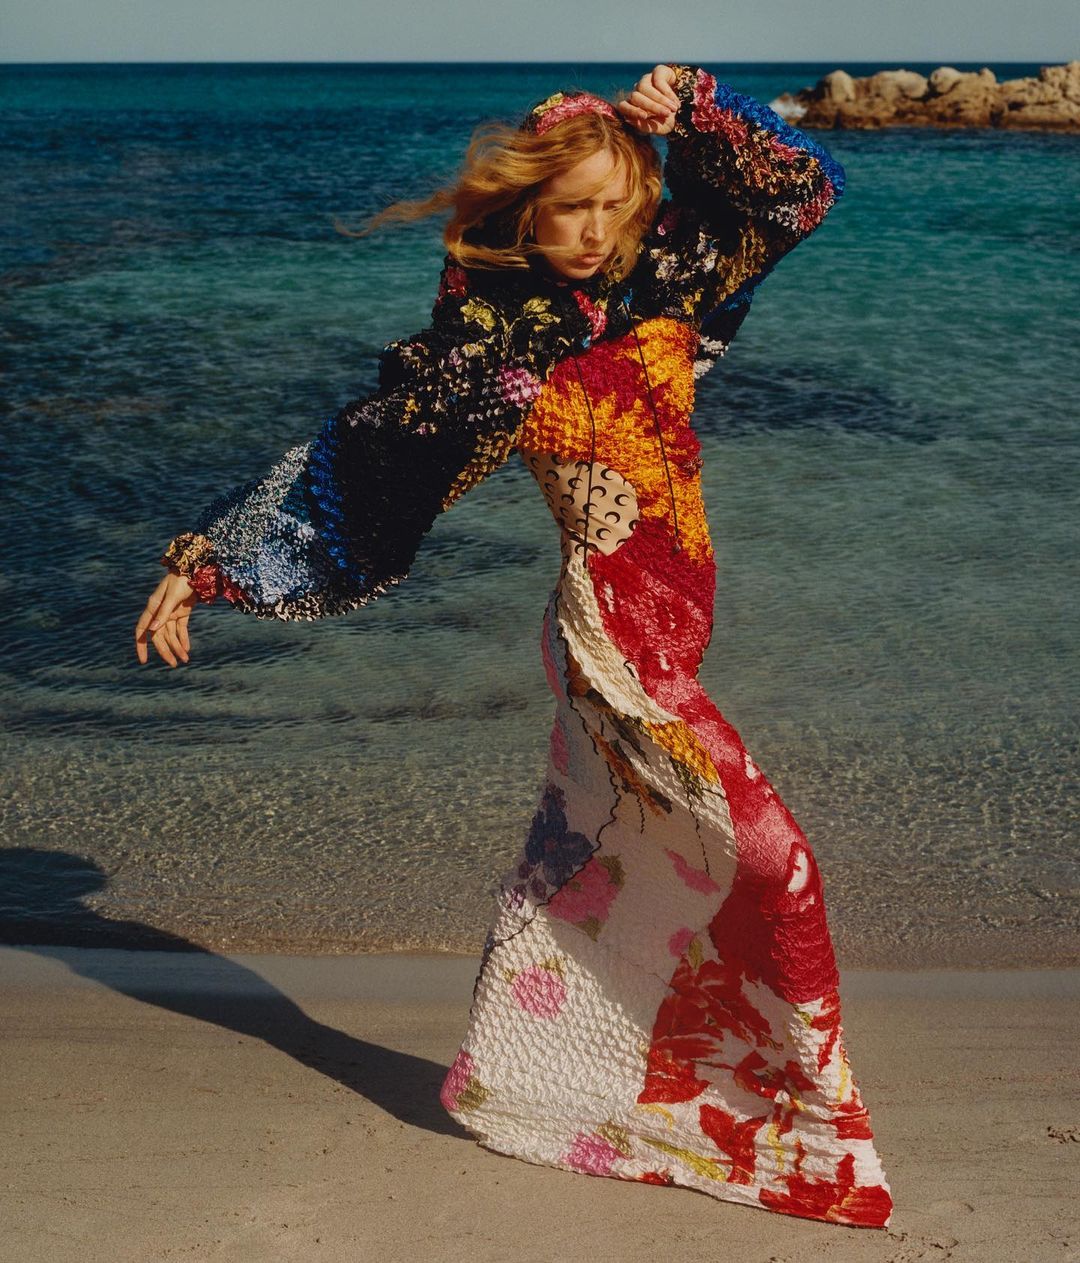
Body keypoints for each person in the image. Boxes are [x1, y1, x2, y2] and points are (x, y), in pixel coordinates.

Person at [134, 64, 893, 1228]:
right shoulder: (497, 354)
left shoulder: (671, 277)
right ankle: (807, 1135)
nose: (592, 233)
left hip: (677, 624)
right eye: (569, 208)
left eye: (613, 208)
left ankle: (552, 1086)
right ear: (525, 207)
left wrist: (698, 109)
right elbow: (369, 468)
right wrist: (211, 564)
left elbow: (798, 194)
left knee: (615, 867)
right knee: (773, 864)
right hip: (611, 637)